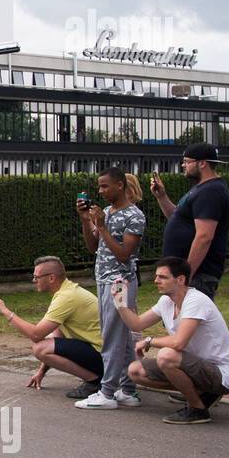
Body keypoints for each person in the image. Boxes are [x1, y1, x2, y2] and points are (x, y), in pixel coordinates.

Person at [112, 256, 229, 425]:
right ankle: (203, 393)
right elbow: (137, 324)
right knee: (135, 370)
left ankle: (198, 409)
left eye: (163, 277)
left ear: (180, 279)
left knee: (166, 356)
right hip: (197, 368)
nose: (156, 281)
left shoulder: (196, 300)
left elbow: (178, 343)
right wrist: (120, 303)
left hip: (223, 374)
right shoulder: (166, 301)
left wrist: (149, 341)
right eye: (156, 276)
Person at [74, 168, 147, 410]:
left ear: (120, 185)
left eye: (105, 186)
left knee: (112, 337)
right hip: (105, 280)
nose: (100, 191)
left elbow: (125, 256)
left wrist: (103, 227)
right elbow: (93, 247)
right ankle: (128, 390)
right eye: (99, 186)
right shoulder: (106, 212)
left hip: (119, 282)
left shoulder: (134, 216)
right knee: (124, 338)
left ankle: (106, 393)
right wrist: (87, 221)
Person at [0, 256, 105, 398]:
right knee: (50, 339)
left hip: (104, 356)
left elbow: (36, 335)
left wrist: (5, 311)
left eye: (36, 277)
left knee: (40, 347)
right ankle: (95, 378)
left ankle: (94, 382)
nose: (33, 280)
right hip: (103, 353)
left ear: (51, 278)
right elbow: (56, 336)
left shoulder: (66, 297)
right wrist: (41, 371)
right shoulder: (66, 292)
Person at [151, 142, 229, 298]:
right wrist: (161, 197)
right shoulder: (200, 188)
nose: (183, 165)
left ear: (202, 163)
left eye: (187, 162)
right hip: (184, 275)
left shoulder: (211, 191)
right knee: (176, 321)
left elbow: (204, 237)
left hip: (197, 276)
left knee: (188, 320)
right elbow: (178, 218)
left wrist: (186, 275)